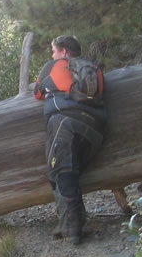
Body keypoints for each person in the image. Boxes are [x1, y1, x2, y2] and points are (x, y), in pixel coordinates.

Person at [33, 35, 107, 244]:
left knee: (61, 172)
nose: (52, 54)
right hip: (96, 130)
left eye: (54, 50)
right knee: (70, 173)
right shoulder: (95, 69)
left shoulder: (53, 66)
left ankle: (73, 231)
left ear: (64, 51)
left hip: (64, 124)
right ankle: (68, 223)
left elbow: (37, 93)